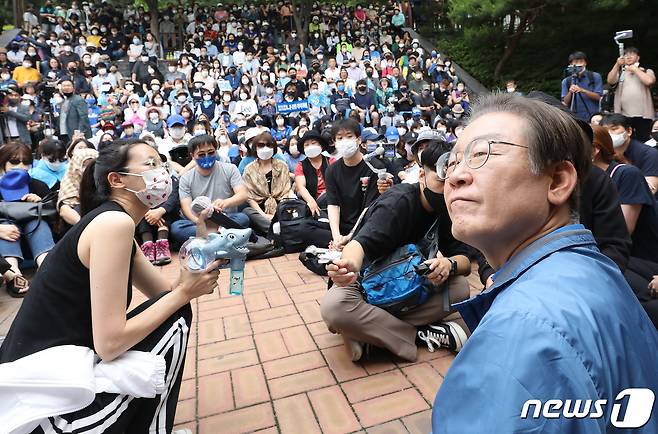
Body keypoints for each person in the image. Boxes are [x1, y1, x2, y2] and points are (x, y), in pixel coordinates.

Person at [432, 92, 658, 433]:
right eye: (452, 161)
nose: (456, 177)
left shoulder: (522, 333)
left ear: (557, 181)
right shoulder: (589, 270)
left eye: (482, 154)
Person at [0, 139, 221, 432]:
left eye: (162, 163)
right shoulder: (113, 224)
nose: (163, 173)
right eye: (151, 164)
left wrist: (203, 234)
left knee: (173, 309)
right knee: (176, 315)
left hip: (63, 369)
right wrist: (184, 293)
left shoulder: (114, 222)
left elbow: (163, 295)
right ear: (116, 179)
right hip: (43, 400)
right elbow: (110, 343)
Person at [323, 141, 471, 362]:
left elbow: (465, 260)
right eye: (441, 179)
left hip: (411, 284)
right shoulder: (398, 203)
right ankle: (419, 335)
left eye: (455, 180)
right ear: (422, 175)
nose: (449, 188)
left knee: (460, 288)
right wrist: (349, 267)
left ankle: (369, 332)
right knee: (334, 309)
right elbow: (358, 245)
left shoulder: (449, 208)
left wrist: (449, 265)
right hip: (366, 285)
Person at [325, 118, 392, 250]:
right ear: (334, 142)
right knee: (308, 228)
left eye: (349, 136)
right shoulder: (331, 170)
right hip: (343, 227)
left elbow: (369, 209)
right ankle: (342, 246)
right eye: (340, 138)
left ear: (359, 140)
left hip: (367, 225)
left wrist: (350, 236)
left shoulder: (375, 168)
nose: (345, 141)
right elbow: (333, 205)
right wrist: (337, 236)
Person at [171, 134, 249, 245]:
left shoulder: (230, 169)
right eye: (201, 154)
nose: (207, 156)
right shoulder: (186, 178)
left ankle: (207, 239)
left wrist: (225, 202)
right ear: (192, 156)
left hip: (225, 219)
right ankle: (222, 237)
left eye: (211, 152)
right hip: (199, 221)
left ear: (216, 151)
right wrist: (199, 222)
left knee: (242, 218)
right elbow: (186, 207)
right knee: (176, 228)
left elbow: (242, 194)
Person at [0, 143, 55, 297]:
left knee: (37, 222)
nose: (21, 167)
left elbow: (56, 221)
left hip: (36, 245)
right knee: (6, 225)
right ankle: (13, 274)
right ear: (2, 164)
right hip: (7, 246)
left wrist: (41, 205)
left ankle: (48, 268)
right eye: (14, 162)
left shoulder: (38, 186)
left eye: (25, 162)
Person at [242, 131, 293, 235]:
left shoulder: (282, 165)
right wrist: (264, 215)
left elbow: (286, 191)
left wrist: (277, 214)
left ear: (273, 147)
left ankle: (276, 231)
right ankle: (278, 231)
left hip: (281, 205)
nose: (265, 148)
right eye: (260, 145)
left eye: (268, 145)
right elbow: (250, 197)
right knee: (247, 211)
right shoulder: (249, 169)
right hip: (259, 209)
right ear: (255, 148)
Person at [600, 113, 658, 195]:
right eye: (605, 130)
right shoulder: (600, 153)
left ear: (629, 131)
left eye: (614, 129)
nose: (609, 134)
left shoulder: (649, 153)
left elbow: (651, 189)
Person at [606, 47, 655, 142]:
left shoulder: (646, 70)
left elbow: (649, 81)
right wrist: (617, 65)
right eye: (626, 54)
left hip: (644, 115)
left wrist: (635, 70)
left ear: (638, 57)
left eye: (632, 54)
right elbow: (610, 81)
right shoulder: (620, 72)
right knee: (625, 140)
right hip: (623, 114)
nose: (628, 56)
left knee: (644, 140)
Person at [294, 130, 334, 215]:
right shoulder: (300, 165)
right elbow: (301, 187)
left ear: (321, 145)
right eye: (307, 145)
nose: (310, 147)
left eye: (313, 143)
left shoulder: (331, 161)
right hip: (311, 204)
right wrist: (311, 202)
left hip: (332, 202)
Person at [57, 148, 98, 227]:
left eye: (92, 164)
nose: (88, 168)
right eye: (84, 165)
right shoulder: (70, 182)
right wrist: (88, 226)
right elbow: (64, 211)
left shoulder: (104, 182)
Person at [560, 51, 603, 122]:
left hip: (593, 117)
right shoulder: (566, 81)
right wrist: (570, 92)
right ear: (571, 65)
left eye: (581, 62)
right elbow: (564, 103)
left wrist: (582, 90)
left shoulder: (594, 76)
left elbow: (599, 97)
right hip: (574, 118)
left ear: (585, 63)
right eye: (576, 62)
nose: (579, 65)